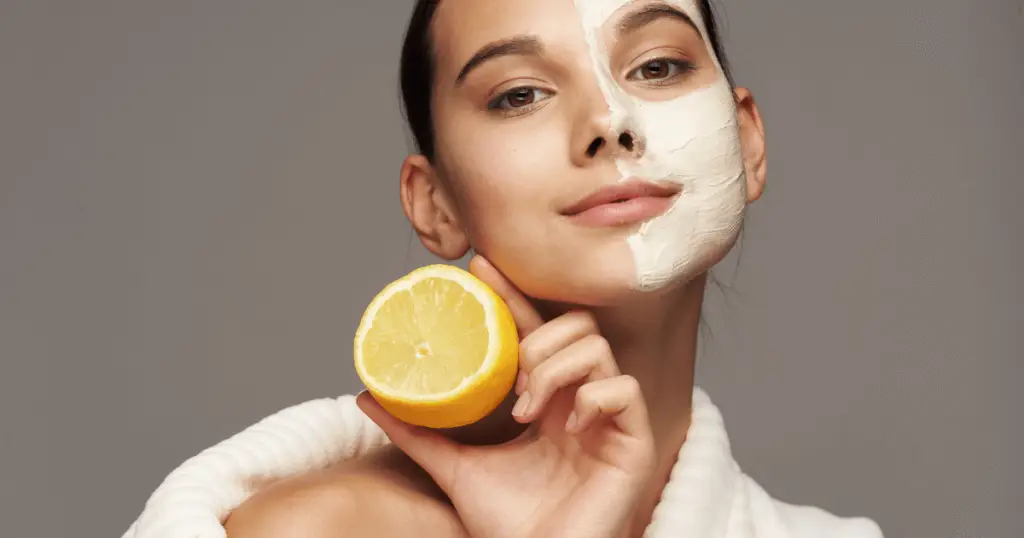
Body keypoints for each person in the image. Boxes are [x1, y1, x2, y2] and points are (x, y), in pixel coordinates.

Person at [123, 1, 884, 537]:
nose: (607, 123)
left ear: (748, 142)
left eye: (656, 66)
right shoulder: (320, 531)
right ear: (436, 203)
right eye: (519, 94)